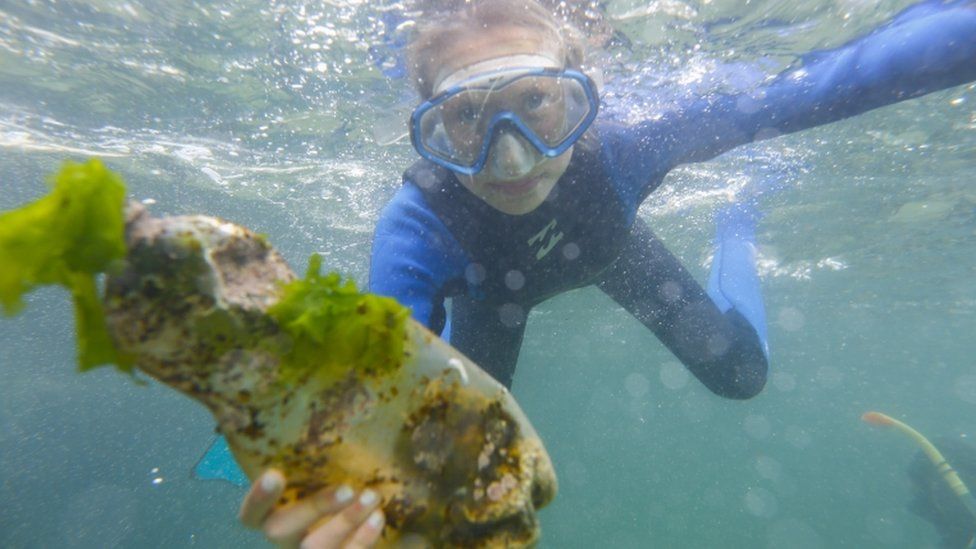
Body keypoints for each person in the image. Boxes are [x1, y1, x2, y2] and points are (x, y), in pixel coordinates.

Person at [240, 1, 976, 546]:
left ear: (581, 98)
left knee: (741, 375)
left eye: (535, 104)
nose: (512, 159)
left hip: (612, 252)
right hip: (497, 303)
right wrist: (336, 479)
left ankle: (735, 223)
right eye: (467, 120)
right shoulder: (420, 221)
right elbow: (375, 383)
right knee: (446, 473)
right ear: (430, 131)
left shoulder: (623, 144)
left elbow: (830, 84)